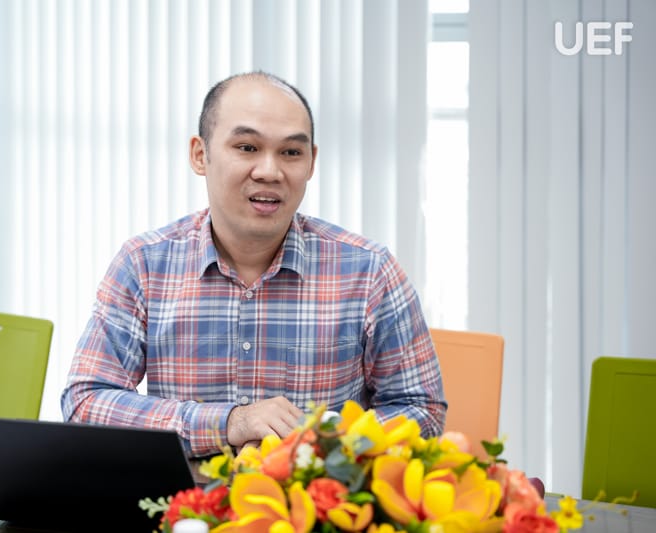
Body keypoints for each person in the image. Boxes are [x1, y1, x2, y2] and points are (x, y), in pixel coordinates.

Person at [61, 71, 446, 458]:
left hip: (313, 494)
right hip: (186, 495)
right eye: (247, 147)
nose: (269, 171)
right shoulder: (144, 265)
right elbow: (85, 402)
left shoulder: (369, 271)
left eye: (291, 152)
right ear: (200, 155)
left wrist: (322, 442)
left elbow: (422, 411)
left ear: (311, 162)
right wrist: (228, 423)